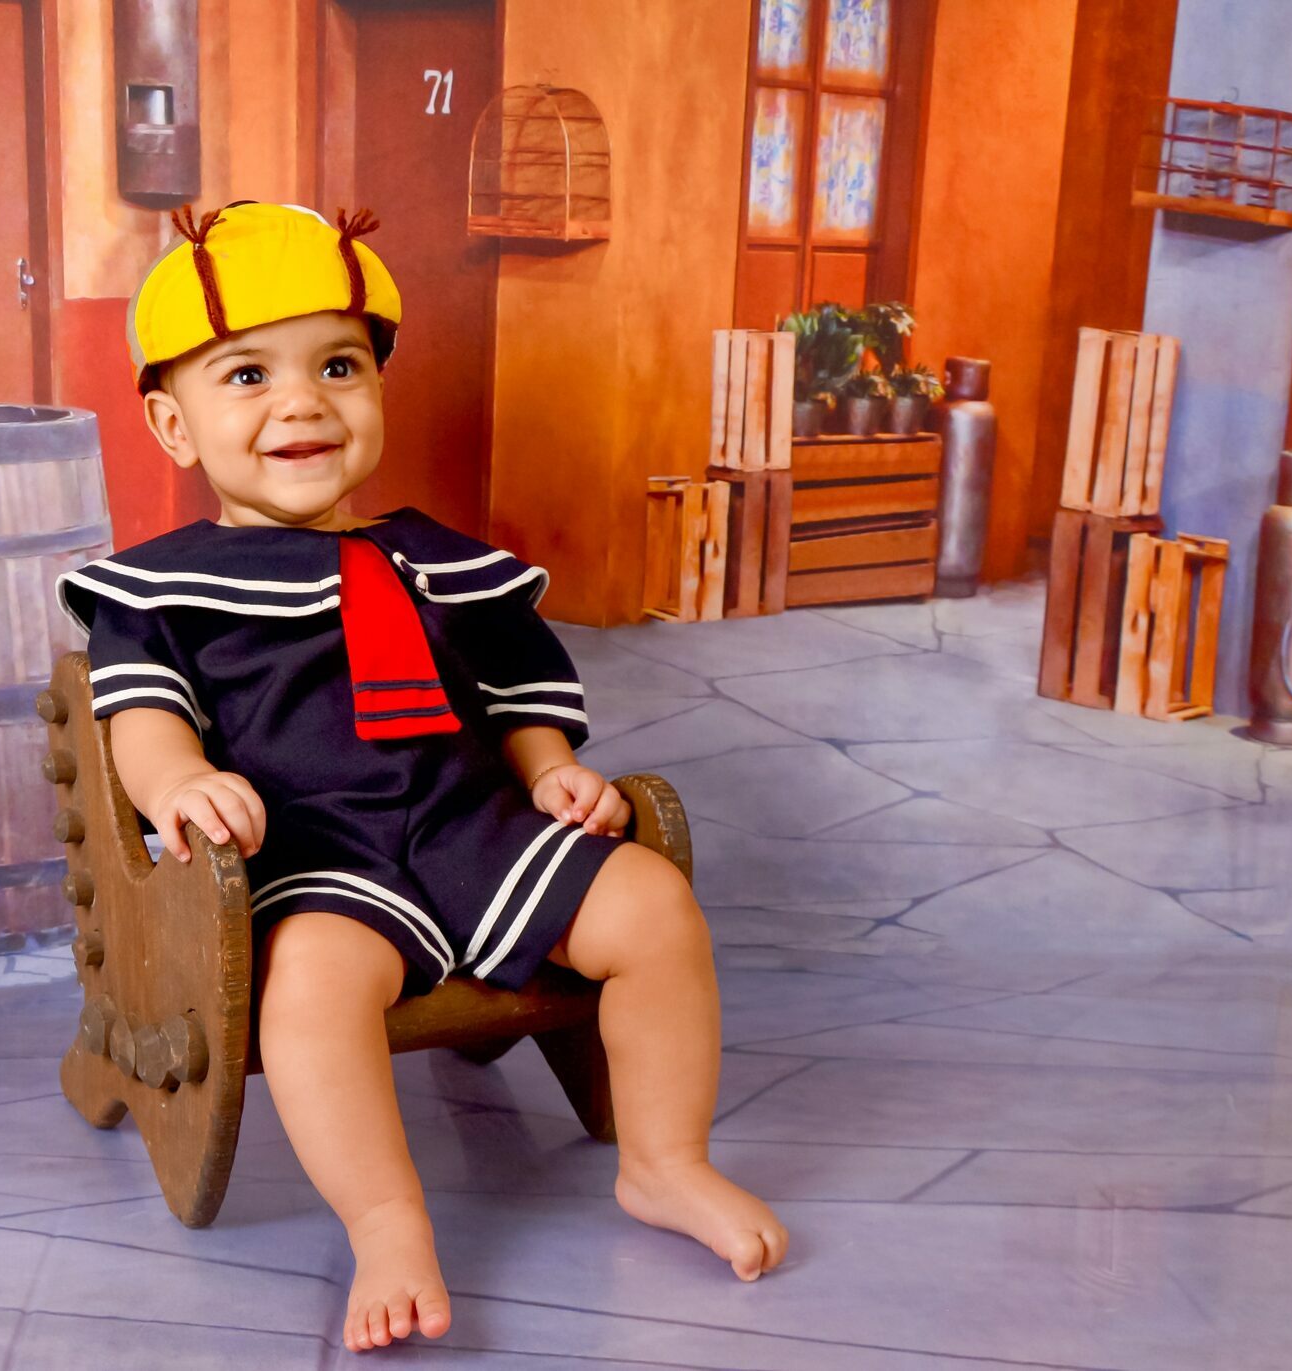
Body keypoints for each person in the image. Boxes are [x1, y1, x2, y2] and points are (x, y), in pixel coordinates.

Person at [57, 202, 787, 1354]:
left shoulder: (442, 561)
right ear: (173, 424)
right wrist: (179, 779)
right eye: (247, 376)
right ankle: (388, 1220)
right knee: (309, 986)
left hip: (472, 829)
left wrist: (550, 770)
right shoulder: (164, 590)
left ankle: (665, 1161)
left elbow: (516, 691)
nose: (303, 403)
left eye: (338, 366)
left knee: (651, 903)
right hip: (313, 857)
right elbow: (140, 720)